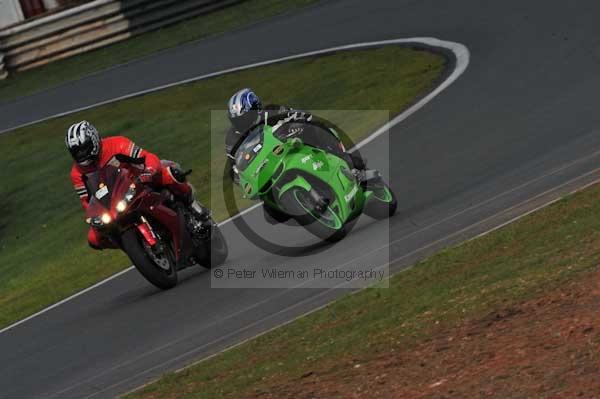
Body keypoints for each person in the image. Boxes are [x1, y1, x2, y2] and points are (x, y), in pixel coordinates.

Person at [224, 88, 367, 223]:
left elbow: (300, 115)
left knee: (316, 129)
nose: (242, 123)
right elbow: (234, 166)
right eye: (237, 121)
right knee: (271, 214)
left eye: (244, 118)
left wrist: (294, 126)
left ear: (256, 109)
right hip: (267, 167)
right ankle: (299, 204)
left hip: (293, 145)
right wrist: (241, 179)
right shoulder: (232, 138)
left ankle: (343, 158)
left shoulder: (273, 111)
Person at [66, 120, 208, 249]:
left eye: (84, 148)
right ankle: (133, 247)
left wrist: (149, 171)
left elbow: (146, 157)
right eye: (77, 152)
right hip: (113, 203)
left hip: (140, 181)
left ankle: (194, 207)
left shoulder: (117, 143)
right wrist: (95, 217)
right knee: (94, 238)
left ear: (94, 139)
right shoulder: (77, 173)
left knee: (169, 174)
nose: (82, 154)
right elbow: (87, 201)